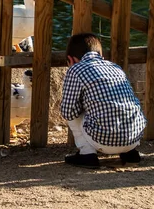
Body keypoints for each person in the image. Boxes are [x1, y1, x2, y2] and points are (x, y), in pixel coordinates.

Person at [60, 33, 146, 168]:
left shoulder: (76, 70)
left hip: (103, 141)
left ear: (71, 59)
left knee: (71, 111)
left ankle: (87, 154)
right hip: (133, 137)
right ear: (101, 56)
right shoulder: (114, 67)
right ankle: (130, 153)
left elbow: (68, 112)